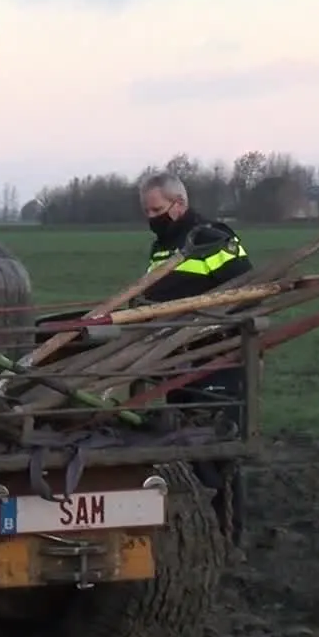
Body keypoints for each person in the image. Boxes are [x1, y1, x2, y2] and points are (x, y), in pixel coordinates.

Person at [137, 172, 253, 541]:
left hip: (214, 360)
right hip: (175, 360)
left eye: (157, 209)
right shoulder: (163, 247)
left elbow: (247, 293)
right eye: (147, 210)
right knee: (183, 446)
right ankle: (198, 535)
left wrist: (207, 331)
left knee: (216, 451)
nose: (151, 217)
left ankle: (229, 535)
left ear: (179, 204)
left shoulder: (212, 238)